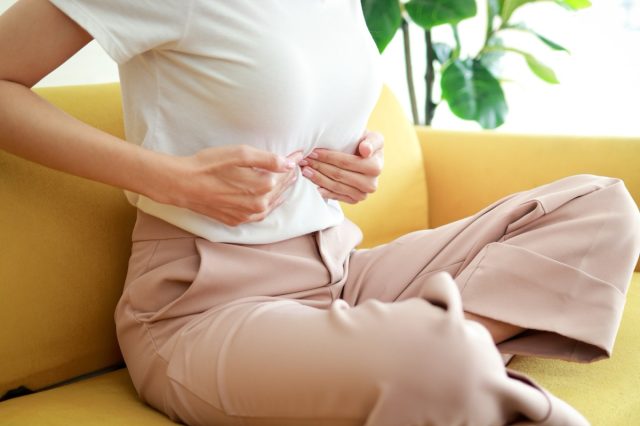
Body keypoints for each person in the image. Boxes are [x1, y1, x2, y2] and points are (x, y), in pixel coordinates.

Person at [1, 1, 639, 425]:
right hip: (203, 310)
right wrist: (176, 181)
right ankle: (431, 355)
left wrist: (364, 161)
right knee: (439, 358)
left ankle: (411, 350)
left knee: (600, 208)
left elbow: (311, 120)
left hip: (341, 271)